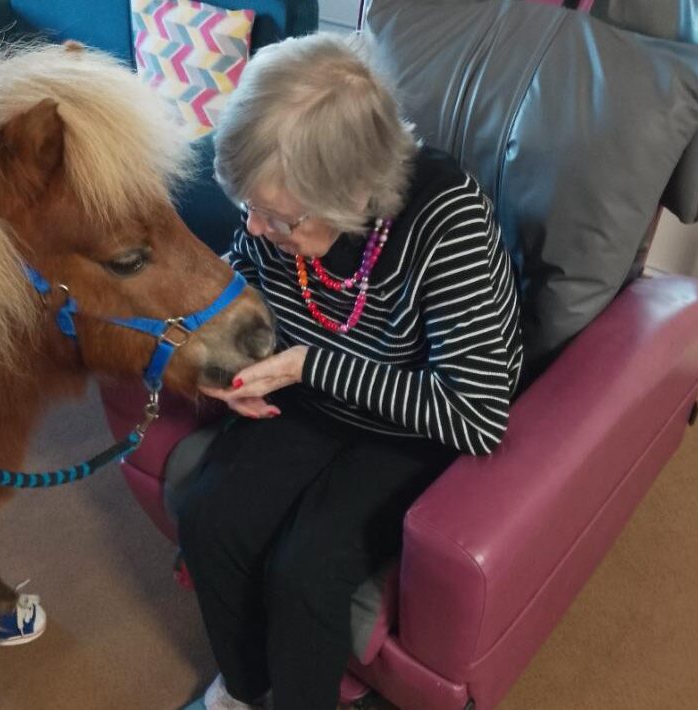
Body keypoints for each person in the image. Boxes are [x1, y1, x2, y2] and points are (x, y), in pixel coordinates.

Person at [177, 32, 523, 710]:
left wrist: (308, 364)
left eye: (279, 217)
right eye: (250, 205)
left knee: (305, 574)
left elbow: (476, 416)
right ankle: (246, 690)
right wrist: (223, 364)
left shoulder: (446, 218)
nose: (256, 226)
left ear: (355, 191)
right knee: (209, 519)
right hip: (305, 393)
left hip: (407, 424)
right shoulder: (274, 213)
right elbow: (246, 268)